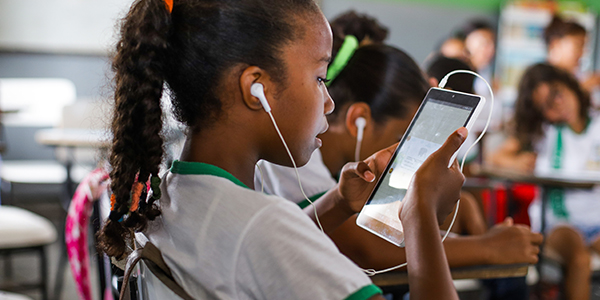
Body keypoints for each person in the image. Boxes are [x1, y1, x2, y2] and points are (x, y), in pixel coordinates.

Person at [98, 0, 470, 299]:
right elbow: (266, 238)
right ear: (255, 88)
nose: (328, 102)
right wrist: (419, 209)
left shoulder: (170, 192)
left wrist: (338, 201)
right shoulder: (262, 224)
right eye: (319, 78)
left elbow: (258, 248)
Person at [255, 39, 542, 272]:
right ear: (360, 119)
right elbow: (363, 247)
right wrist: (486, 248)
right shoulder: (294, 153)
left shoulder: (333, 174)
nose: (327, 104)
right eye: (399, 139)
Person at [491, 63, 600, 300]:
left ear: (570, 85)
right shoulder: (544, 132)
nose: (557, 105)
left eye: (557, 94)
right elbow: (496, 156)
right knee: (579, 259)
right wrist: (515, 162)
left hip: (597, 220)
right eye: (546, 106)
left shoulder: (597, 123)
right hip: (560, 223)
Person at [544, 15, 600, 102]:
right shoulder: (542, 78)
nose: (582, 53)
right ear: (556, 43)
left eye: (584, 47)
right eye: (578, 45)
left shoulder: (573, 77)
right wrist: (583, 88)